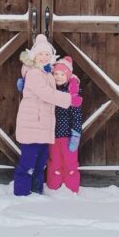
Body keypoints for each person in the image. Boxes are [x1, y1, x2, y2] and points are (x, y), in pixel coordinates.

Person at [13, 33, 73, 197]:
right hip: (33, 126)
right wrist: (68, 99)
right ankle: (22, 193)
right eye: (41, 54)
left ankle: (36, 192)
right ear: (34, 56)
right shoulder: (33, 73)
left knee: (40, 165)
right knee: (28, 164)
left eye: (47, 54)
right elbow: (46, 94)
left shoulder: (47, 73)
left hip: (43, 127)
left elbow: (62, 78)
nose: (44, 57)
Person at [45, 56, 83, 193]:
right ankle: (53, 188)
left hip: (68, 135)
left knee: (70, 163)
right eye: (56, 74)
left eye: (62, 74)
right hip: (52, 135)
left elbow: (77, 115)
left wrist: (76, 133)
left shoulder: (73, 93)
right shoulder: (49, 91)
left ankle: (72, 189)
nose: (58, 77)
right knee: (54, 162)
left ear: (68, 76)